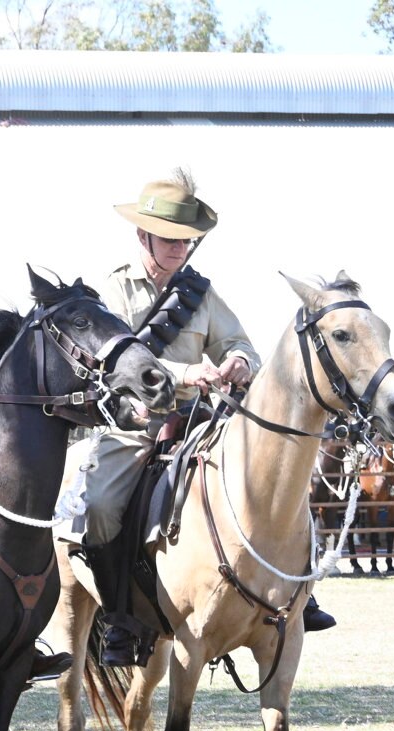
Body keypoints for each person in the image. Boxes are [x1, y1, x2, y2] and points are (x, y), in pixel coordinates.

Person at [60, 171, 333, 668]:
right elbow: (120, 363)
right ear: (142, 235)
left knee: (279, 480)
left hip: (204, 420)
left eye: (187, 241)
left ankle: (298, 597)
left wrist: (238, 363)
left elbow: (239, 343)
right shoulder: (113, 290)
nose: (179, 249)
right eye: (169, 240)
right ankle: (120, 616)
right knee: (99, 503)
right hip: (136, 423)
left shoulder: (200, 295)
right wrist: (188, 372)